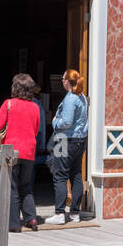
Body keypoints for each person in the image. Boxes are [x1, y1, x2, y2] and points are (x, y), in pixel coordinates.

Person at [0, 73, 43, 232]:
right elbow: (35, 130)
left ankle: (13, 224)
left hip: (11, 151)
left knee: (12, 186)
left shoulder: (8, 103)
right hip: (29, 150)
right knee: (26, 186)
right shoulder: (35, 106)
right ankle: (32, 218)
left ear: (15, 88)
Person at [45, 68, 88, 224]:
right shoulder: (82, 97)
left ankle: (59, 213)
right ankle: (75, 213)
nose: (61, 81)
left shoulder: (71, 98)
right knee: (76, 175)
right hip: (80, 140)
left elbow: (66, 122)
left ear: (68, 82)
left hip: (64, 139)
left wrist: (55, 120)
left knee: (59, 175)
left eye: (63, 79)